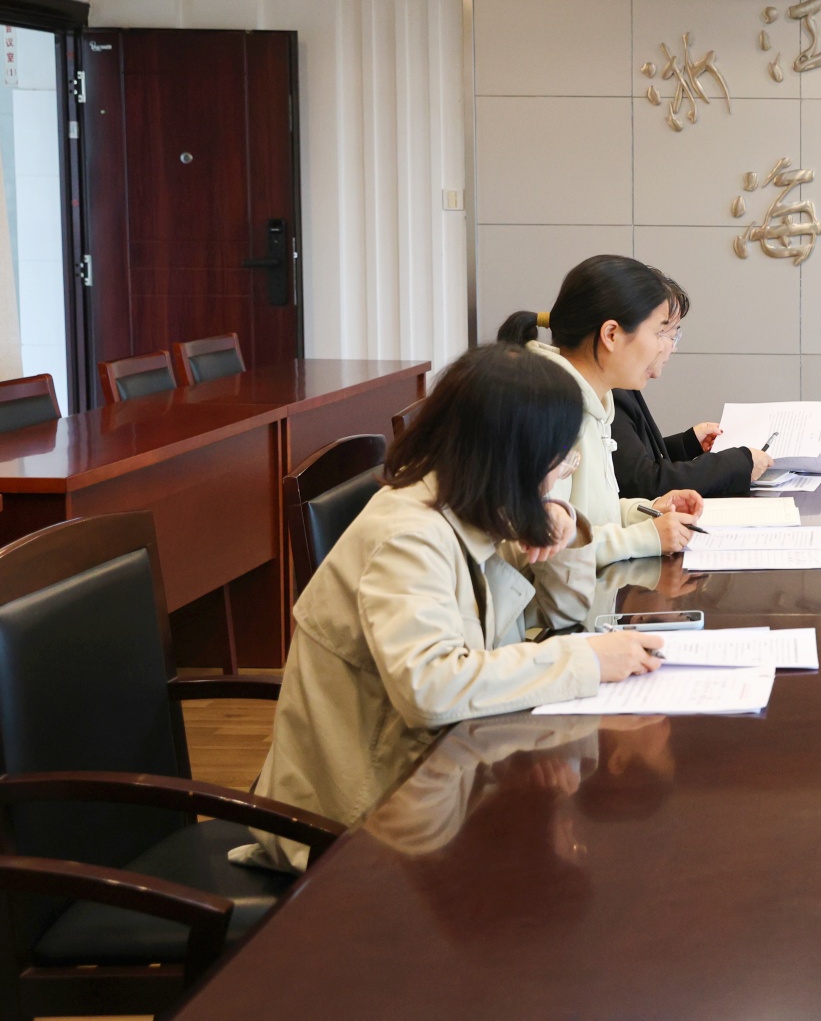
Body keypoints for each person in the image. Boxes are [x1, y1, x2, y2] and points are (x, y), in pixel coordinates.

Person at [244, 343, 673, 871]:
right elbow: (431, 688)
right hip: (360, 825)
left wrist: (562, 531)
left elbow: (564, 618)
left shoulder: (474, 502)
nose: (562, 472)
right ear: (513, 457)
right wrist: (586, 661)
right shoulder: (409, 536)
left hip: (437, 780)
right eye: (561, 460)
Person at [498, 256, 708, 567]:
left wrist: (647, 511)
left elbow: (587, 513)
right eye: (660, 333)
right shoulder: (547, 410)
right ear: (611, 335)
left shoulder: (590, 401)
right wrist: (646, 537)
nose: (666, 347)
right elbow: (545, 543)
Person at [607, 277, 771, 498]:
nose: (671, 347)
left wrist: (688, 443)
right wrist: (736, 463)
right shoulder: (607, 394)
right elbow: (644, 483)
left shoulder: (620, 386)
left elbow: (632, 463)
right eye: (664, 333)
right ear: (612, 334)